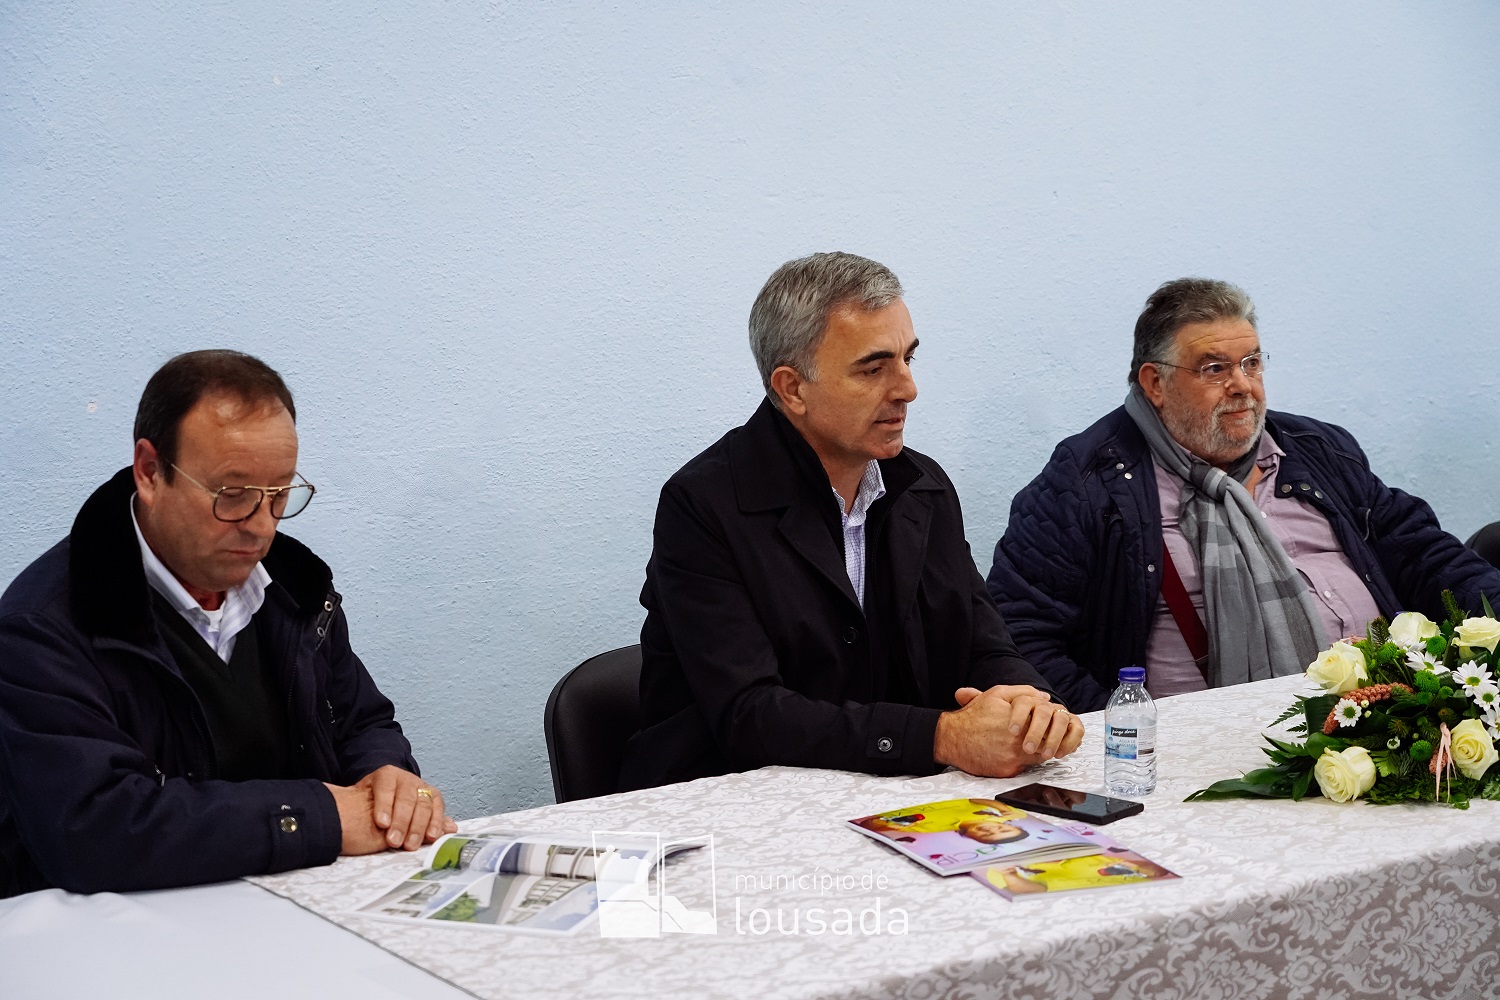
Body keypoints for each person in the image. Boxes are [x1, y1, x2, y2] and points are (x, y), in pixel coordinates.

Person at [0, 350, 456, 896]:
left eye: (280, 495)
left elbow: (363, 722)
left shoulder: (298, 587)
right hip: (131, 934)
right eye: (233, 496)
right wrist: (321, 816)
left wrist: (389, 780)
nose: (261, 528)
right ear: (150, 471)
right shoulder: (43, 627)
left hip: (300, 899)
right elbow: (97, 829)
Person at [619, 252, 1082, 790]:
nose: (907, 389)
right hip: (733, 805)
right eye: (873, 367)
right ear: (793, 389)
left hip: (889, 794)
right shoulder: (703, 505)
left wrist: (1028, 706)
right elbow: (749, 712)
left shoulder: (921, 487)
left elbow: (981, 644)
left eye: (909, 358)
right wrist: (941, 737)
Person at [987, 278, 1500, 712]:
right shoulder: (1085, 485)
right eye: (1215, 368)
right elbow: (1019, 636)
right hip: (1196, 761)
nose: (1242, 385)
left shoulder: (1317, 451)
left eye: (1251, 363)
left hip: (1385, 725)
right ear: (1155, 383)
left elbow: (1428, 556)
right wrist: (1124, 732)